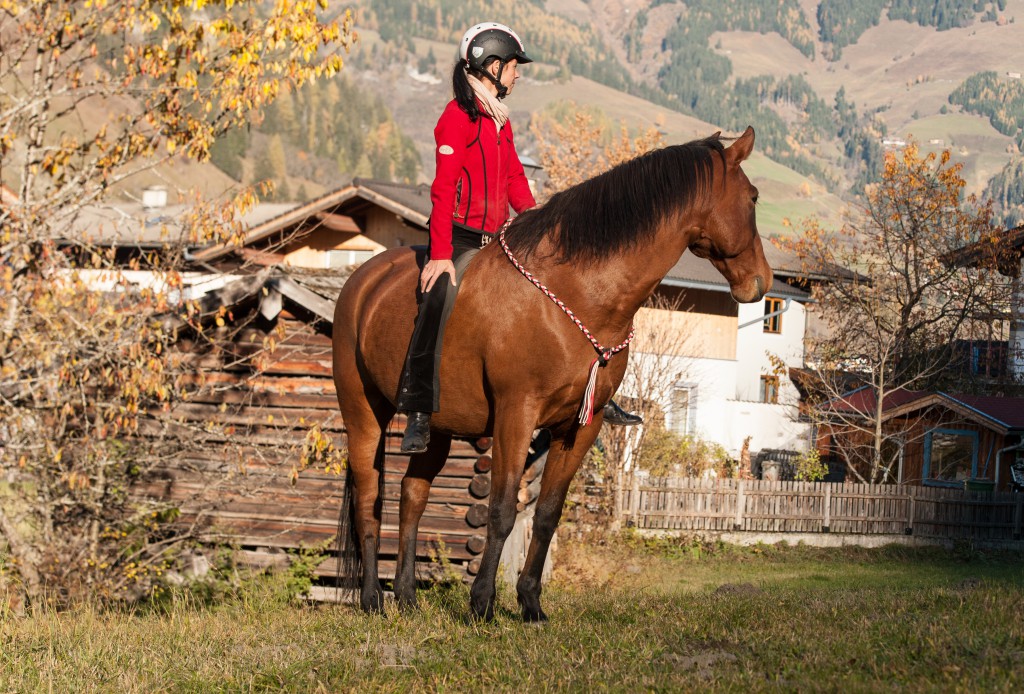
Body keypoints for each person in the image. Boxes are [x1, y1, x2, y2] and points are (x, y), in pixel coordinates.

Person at [398, 22, 641, 454]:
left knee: (559, 287)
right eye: (513, 66)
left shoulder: (500, 122)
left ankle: (592, 393)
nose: (518, 74)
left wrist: (540, 227)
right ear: (491, 66)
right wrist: (438, 256)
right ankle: (418, 411)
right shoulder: (457, 118)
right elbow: (441, 189)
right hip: (458, 238)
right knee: (437, 297)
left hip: (500, 238)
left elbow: (513, 179)